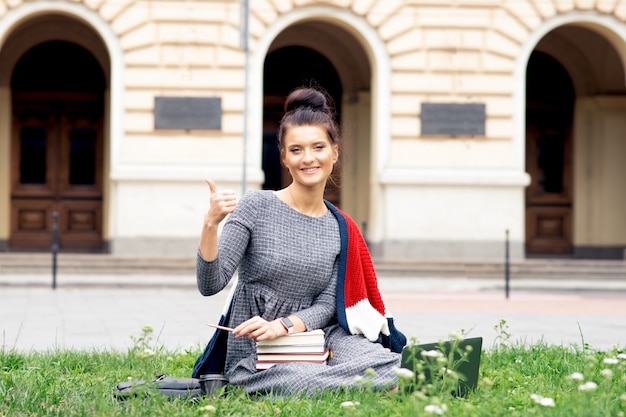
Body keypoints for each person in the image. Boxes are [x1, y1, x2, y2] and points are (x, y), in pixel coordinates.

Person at [192, 86, 406, 397]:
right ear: (284, 157)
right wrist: (210, 224)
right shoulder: (256, 206)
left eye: (318, 147)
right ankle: (385, 386)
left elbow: (326, 305)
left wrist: (287, 325)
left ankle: (379, 378)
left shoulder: (341, 227)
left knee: (384, 360)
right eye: (296, 150)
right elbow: (210, 284)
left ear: (334, 152)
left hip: (318, 334)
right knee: (299, 375)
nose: (308, 158)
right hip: (260, 349)